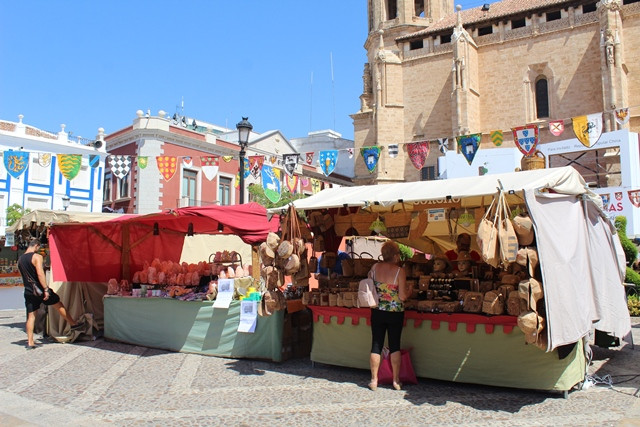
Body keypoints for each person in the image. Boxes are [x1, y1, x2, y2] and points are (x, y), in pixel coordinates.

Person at [18, 240, 84, 349]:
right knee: (58, 303)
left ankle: (30, 342)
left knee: (31, 316)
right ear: (36, 245)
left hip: (29, 291)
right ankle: (73, 324)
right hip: (39, 290)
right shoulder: (36, 257)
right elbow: (40, 273)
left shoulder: (20, 259)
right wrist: (46, 289)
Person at [368, 241, 410, 391]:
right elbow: (403, 296)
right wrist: (410, 291)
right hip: (395, 313)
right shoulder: (400, 271)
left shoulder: (374, 268)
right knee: (395, 345)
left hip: (377, 311)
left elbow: (370, 286)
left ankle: (374, 380)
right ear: (395, 255)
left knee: (376, 344)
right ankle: (396, 381)